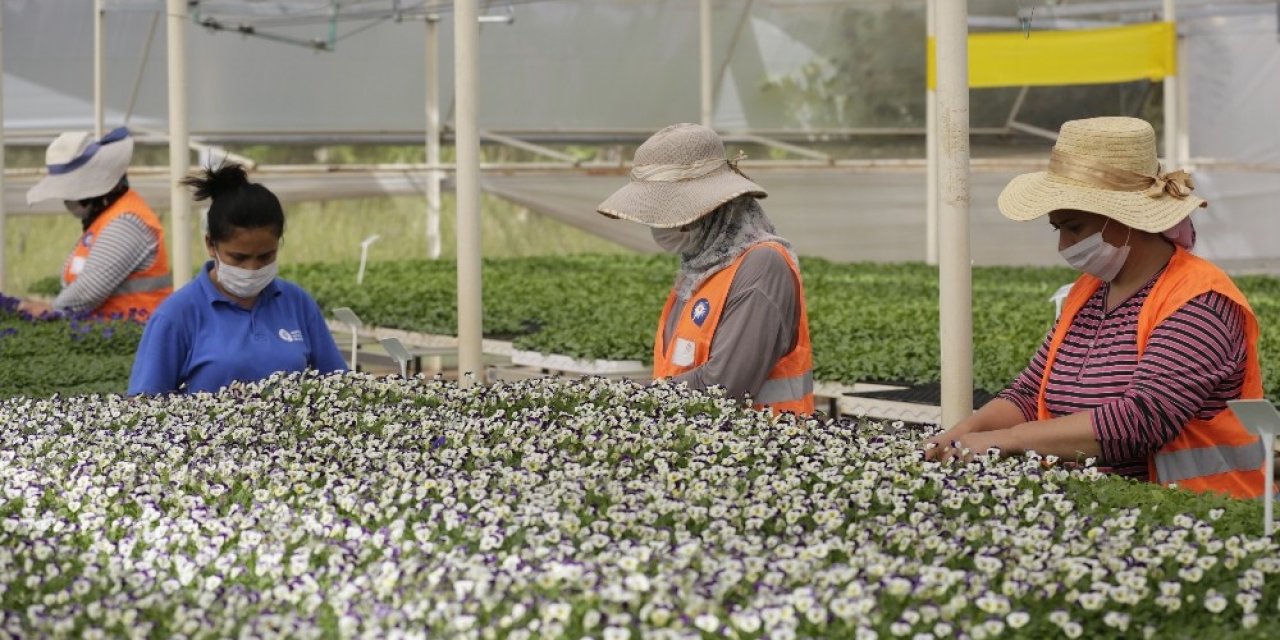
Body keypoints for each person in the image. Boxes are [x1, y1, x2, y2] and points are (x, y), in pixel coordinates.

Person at [924, 116, 1268, 499]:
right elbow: (1029, 391)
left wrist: (1010, 440)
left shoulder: (1199, 301)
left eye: (1074, 227)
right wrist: (964, 432)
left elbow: (1142, 420)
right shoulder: (1089, 292)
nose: (1064, 246)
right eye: (1059, 229)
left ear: (1124, 218)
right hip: (1105, 510)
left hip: (1201, 517)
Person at [596, 123, 814, 415]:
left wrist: (634, 401)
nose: (660, 225)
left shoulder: (762, 267)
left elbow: (723, 386)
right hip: (694, 446)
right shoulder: (699, 270)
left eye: (670, 213)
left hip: (757, 451)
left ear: (712, 209)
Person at [128, 163, 347, 395]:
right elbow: (145, 405)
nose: (252, 267)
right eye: (239, 257)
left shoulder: (297, 303)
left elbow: (339, 385)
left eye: (265, 256)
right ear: (211, 244)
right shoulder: (177, 315)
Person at [22, 127, 172, 319]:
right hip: (112, 336)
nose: (68, 200)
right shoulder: (105, 219)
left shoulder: (126, 222)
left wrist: (50, 310)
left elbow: (89, 290)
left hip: (134, 339)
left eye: (72, 191)